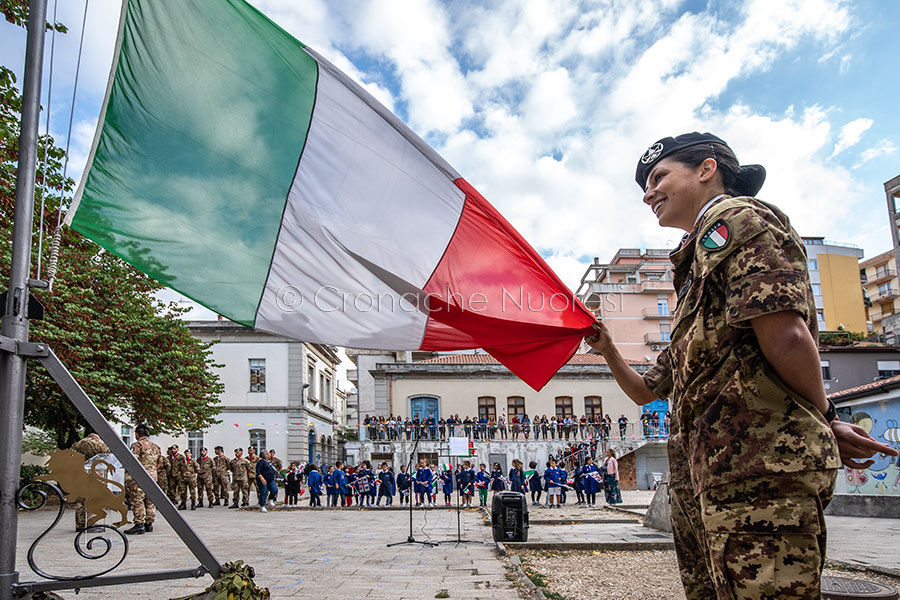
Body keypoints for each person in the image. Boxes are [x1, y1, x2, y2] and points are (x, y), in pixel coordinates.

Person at [585, 131, 897, 600]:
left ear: (706, 169)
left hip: (759, 470)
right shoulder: (695, 272)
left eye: (659, 177)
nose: (648, 194)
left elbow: (786, 336)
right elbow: (648, 390)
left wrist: (827, 419)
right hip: (714, 475)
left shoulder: (736, 218)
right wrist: (608, 347)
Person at [123, 424, 161, 535]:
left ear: (137, 434)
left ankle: (139, 524)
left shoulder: (138, 445)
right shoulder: (155, 446)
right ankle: (149, 523)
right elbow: (159, 462)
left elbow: (131, 460)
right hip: (153, 476)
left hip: (140, 477)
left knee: (138, 500)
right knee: (150, 501)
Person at [70, 431, 109, 531]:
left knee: (81, 500)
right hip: (96, 471)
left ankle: (80, 524)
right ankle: (92, 523)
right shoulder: (99, 444)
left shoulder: (79, 443)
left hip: (81, 471)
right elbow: (105, 454)